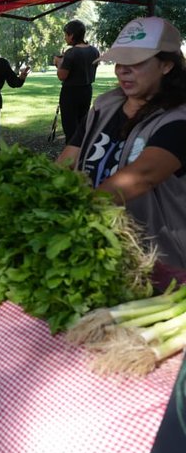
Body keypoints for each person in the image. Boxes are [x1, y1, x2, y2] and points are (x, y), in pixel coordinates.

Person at [57, 16, 186, 278]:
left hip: (158, 262)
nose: (121, 70)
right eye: (119, 61)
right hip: (99, 251)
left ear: (167, 65)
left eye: (135, 62)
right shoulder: (105, 105)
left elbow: (142, 177)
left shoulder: (179, 118)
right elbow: (67, 160)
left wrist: (71, 214)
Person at [53, 20, 100, 143]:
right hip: (87, 90)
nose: (65, 38)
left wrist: (59, 63)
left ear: (72, 35)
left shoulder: (71, 52)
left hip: (71, 93)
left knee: (70, 128)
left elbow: (62, 76)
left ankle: (71, 156)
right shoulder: (94, 51)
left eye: (66, 35)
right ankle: (81, 152)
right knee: (82, 125)